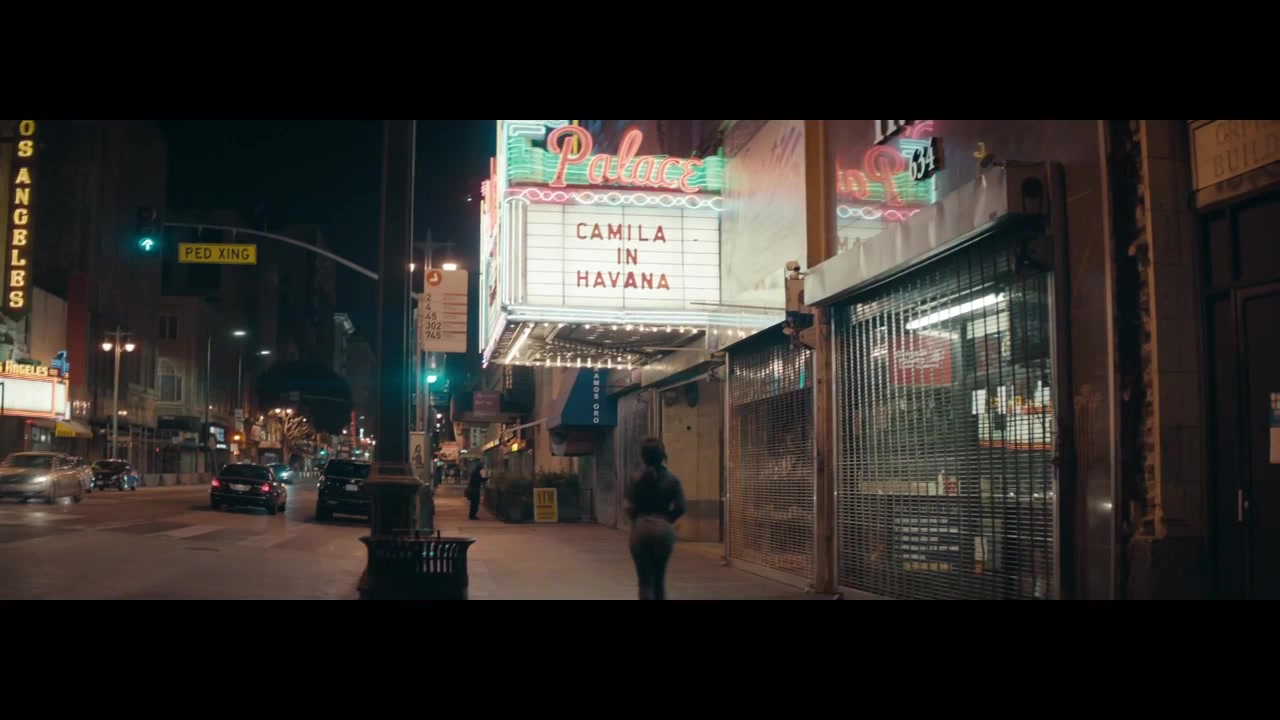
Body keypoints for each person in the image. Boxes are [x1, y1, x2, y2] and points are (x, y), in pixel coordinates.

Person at [624, 438, 686, 600]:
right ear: (663, 455)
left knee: (644, 581)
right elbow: (681, 507)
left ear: (643, 456)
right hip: (662, 529)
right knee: (659, 579)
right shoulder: (672, 479)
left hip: (640, 528)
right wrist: (667, 521)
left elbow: (628, 506)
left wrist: (637, 521)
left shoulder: (635, 479)